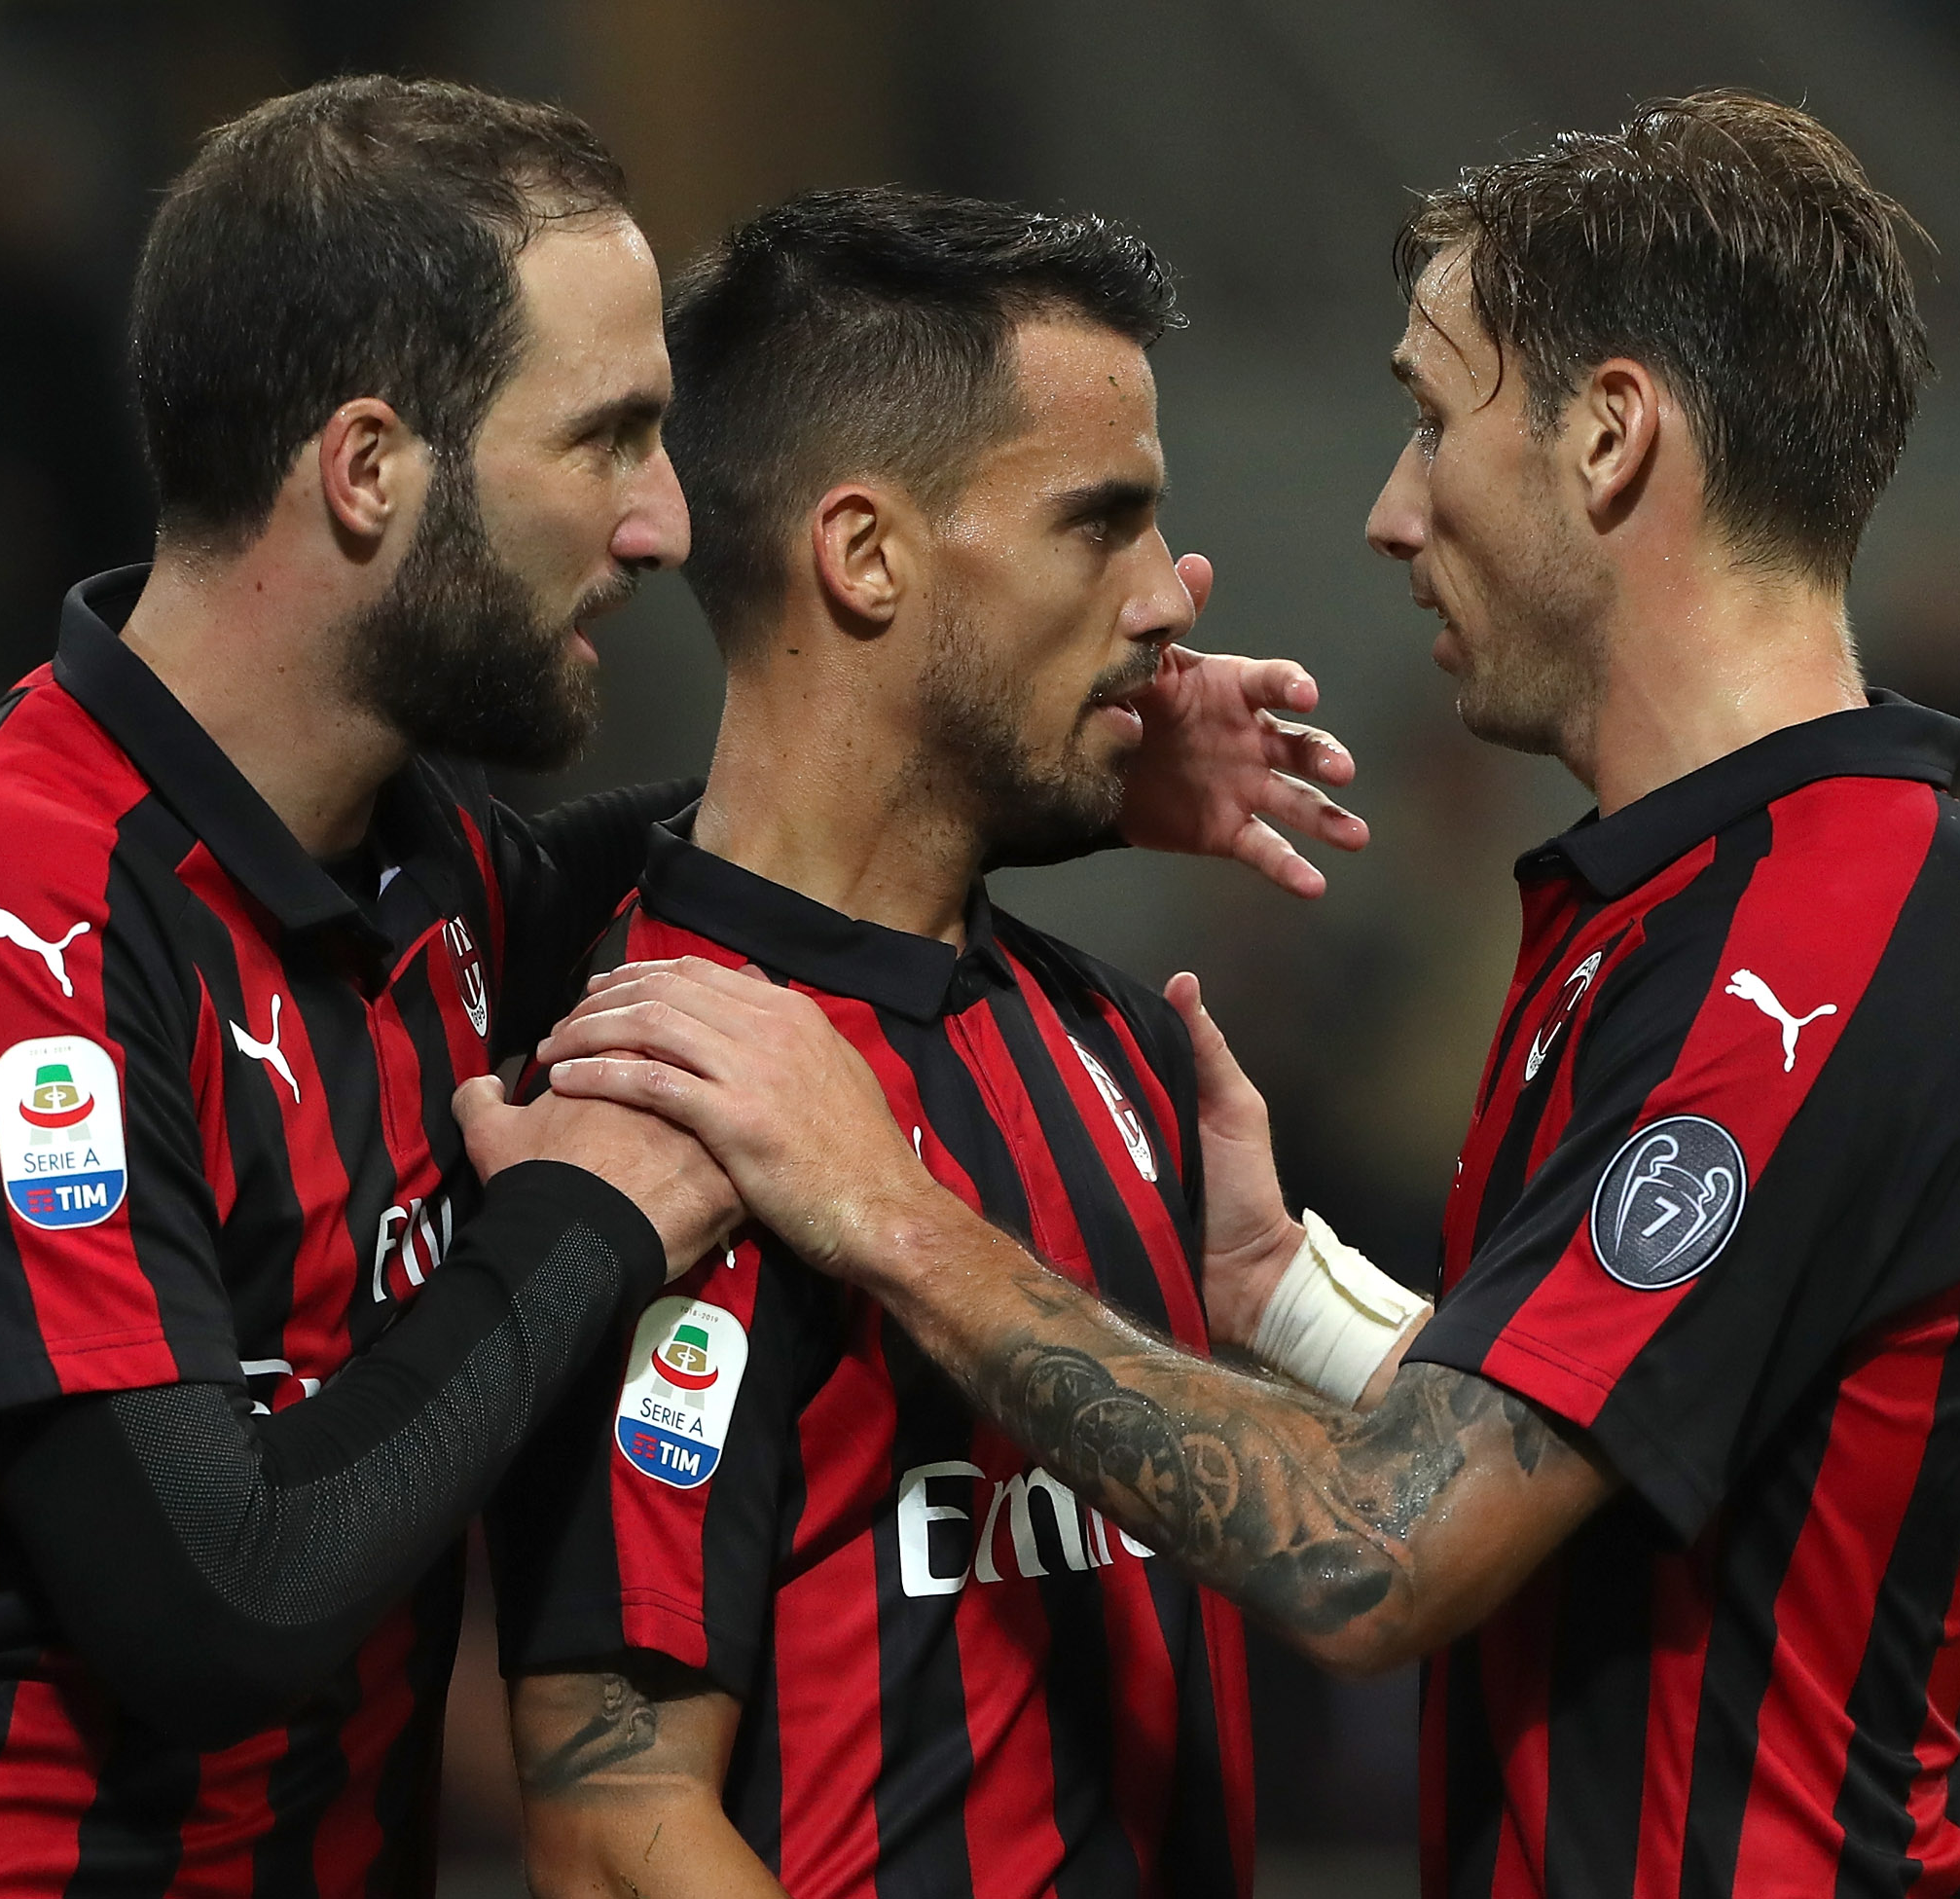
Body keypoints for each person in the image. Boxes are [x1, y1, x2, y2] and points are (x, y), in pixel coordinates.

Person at [0, 78, 1351, 1899]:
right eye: (602, 442)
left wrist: (1047, 734)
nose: (666, 526)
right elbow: (217, 1601)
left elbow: (759, 839)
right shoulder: (8, 901)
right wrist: (581, 1228)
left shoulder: (423, 876)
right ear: (370, 471)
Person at [508, 91, 1960, 1896]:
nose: (1388, 512)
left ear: (1613, 439)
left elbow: (1382, 1551)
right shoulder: (1679, 916)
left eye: (1431, 420)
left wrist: (884, 1208)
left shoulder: (1818, 935)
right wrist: (1283, 1295)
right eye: (1095, 522)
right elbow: (1629, 1447)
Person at [474, 190, 1343, 1899]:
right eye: (1101, 523)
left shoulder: (1110, 1042)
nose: (1173, 596)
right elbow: (616, 1834)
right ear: (862, 554)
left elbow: (1383, 1540)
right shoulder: (661, 1100)